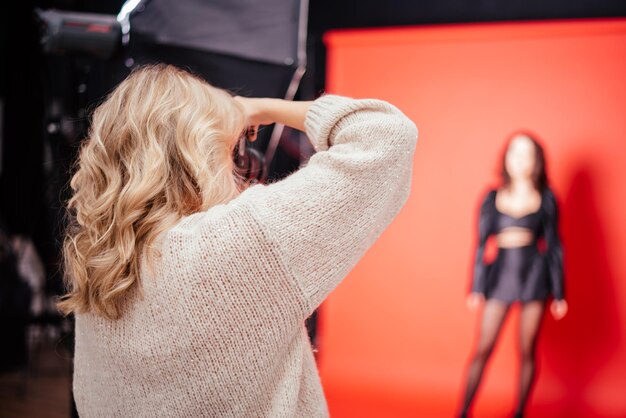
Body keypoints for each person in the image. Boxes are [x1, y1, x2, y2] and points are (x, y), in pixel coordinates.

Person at [57, 63, 417, 417]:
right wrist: (258, 108)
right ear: (199, 152)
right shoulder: (239, 241)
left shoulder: (98, 263)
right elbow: (386, 134)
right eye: (230, 149)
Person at [459, 132, 568, 418]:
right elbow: (481, 245)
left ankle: (519, 413)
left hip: (534, 275)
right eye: (514, 152)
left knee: (527, 348)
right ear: (505, 158)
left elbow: (555, 246)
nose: (519, 159)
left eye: (526, 153)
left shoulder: (547, 197)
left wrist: (559, 293)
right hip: (501, 274)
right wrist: (476, 287)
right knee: (483, 346)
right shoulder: (491, 197)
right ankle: (463, 412)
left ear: (537, 161)